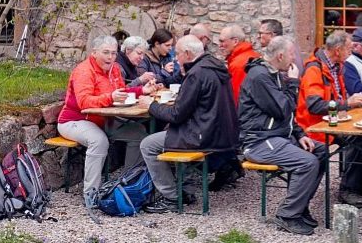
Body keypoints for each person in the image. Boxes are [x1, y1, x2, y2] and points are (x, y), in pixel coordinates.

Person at [239, 36, 329, 236]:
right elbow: (283, 108)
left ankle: (300, 206)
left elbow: (286, 115)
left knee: (320, 151)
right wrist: (294, 83)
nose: (294, 58)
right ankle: (288, 214)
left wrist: (299, 134)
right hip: (259, 141)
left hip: (278, 136)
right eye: (291, 54)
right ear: (280, 56)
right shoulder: (260, 77)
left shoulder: (275, 74)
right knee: (307, 162)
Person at [140, 35, 240, 212]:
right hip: (219, 132)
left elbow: (176, 114)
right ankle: (185, 190)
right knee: (169, 132)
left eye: (177, 54)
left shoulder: (197, 74)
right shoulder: (214, 66)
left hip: (203, 136)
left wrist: (151, 105)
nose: (175, 58)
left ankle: (171, 197)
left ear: (187, 54)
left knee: (148, 144)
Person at [57, 35, 155, 213]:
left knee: (139, 134)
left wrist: (142, 90)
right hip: (74, 121)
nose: (110, 57)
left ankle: (127, 183)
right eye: (106, 52)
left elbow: (121, 92)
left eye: (114, 53)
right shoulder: (84, 71)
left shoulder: (115, 68)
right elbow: (84, 103)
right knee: (99, 141)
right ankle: (91, 194)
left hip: (105, 120)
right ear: (94, 53)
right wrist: (110, 97)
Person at [296, 32, 362, 206]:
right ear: (338, 50)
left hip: (332, 123)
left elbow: (336, 98)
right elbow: (315, 106)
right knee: (359, 141)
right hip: (314, 128)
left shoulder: (335, 67)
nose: (351, 52)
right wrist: (347, 103)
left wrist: (347, 104)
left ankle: (360, 186)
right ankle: (348, 190)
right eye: (349, 48)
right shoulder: (314, 69)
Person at [217, 24, 258, 105]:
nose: (220, 45)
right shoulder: (254, 55)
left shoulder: (238, 64)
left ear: (235, 41)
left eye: (222, 41)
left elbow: (236, 96)